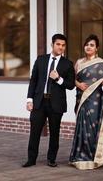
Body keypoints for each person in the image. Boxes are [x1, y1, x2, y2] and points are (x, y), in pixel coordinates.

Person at [22, 34, 75, 168]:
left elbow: (71, 85)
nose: (61, 47)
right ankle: (31, 159)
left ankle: (51, 159)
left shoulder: (68, 64)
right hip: (39, 102)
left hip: (56, 104)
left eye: (63, 45)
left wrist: (58, 79)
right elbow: (33, 81)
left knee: (55, 133)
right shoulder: (41, 60)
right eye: (58, 44)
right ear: (52, 45)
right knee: (34, 131)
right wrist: (29, 100)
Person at [69, 34, 103, 170]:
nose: (88, 47)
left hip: (95, 100)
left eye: (92, 45)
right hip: (82, 99)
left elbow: (102, 82)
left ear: (97, 48)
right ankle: (80, 157)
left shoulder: (101, 63)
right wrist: (79, 85)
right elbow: (72, 79)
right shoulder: (79, 62)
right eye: (87, 44)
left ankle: (96, 157)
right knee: (82, 127)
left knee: (93, 127)